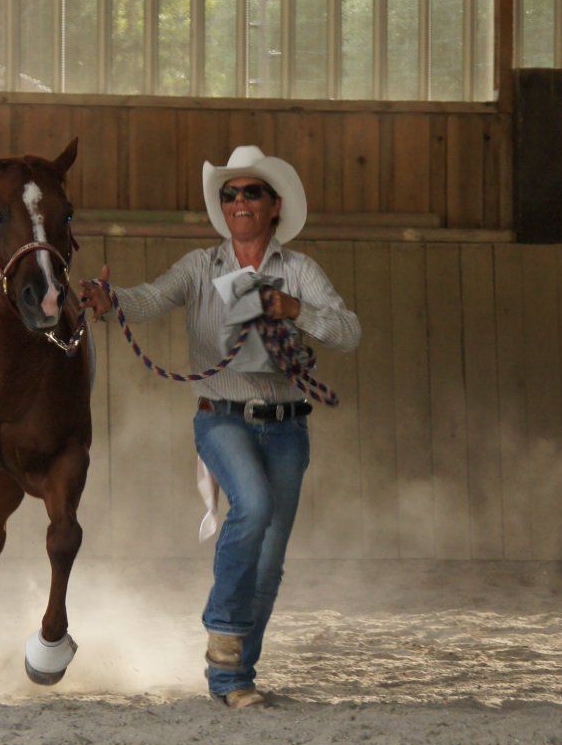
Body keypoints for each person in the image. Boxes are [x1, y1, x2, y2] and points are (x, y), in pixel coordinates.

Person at [80, 145, 361, 710]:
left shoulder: (299, 272)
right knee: (253, 509)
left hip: (285, 426)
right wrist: (110, 300)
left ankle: (234, 676)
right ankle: (222, 632)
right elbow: (153, 296)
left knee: (270, 557)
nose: (237, 201)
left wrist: (294, 311)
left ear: (274, 205)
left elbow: (348, 332)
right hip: (222, 418)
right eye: (229, 193)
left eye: (250, 192)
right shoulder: (199, 267)